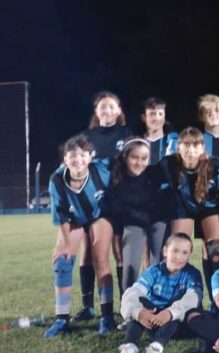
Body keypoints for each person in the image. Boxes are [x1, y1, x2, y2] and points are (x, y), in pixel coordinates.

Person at [44, 135, 117, 337]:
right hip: (74, 219)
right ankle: (61, 319)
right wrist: (65, 246)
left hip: (100, 216)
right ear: (65, 159)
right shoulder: (57, 180)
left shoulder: (101, 170)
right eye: (72, 156)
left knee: (100, 258)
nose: (78, 160)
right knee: (62, 261)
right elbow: (60, 215)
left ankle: (107, 316)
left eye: (83, 155)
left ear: (90, 156)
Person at [73, 91, 131, 322]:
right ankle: (88, 305)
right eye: (102, 108)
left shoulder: (127, 134)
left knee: (120, 254)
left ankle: (125, 305)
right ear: (96, 112)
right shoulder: (86, 137)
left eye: (111, 107)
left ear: (119, 111)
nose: (107, 111)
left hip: (121, 203)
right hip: (92, 205)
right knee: (88, 253)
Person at [111, 233, 203, 353]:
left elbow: (194, 299)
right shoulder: (154, 271)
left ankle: (156, 348)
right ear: (165, 251)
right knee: (140, 302)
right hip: (153, 321)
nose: (179, 257)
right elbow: (132, 293)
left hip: (179, 325)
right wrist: (140, 313)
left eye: (184, 253)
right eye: (175, 250)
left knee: (181, 304)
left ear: (189, 255)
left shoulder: (192, 274)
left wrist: (170, 313)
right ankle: (130, 347)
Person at [157, 127, 219, 301]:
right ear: (178, 147)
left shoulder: (215, 164)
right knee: (178, 249)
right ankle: (174, 299)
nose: (190, 150)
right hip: (182, 207)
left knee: (215, 251)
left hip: (208, 207)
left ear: (202, 148)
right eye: (186, 145)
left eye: (195, 145)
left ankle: (218, 299)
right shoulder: (168, 164)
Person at [103, 138, 171, 293]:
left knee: (159, 261)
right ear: (125, 157)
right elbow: (116, 209)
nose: (139, 163)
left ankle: (159, 299)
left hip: (156, 220)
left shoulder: (155, 173)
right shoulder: (116, 177)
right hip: (133, 223)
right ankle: (129, 303)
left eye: (144, 158)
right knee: (131, 264)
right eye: (134, 157)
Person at [141, 97, 178, 165]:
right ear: (143, 117)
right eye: (152, 114)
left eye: (160, 114)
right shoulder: (138, 142)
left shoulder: (173, 141)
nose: (157, 118)